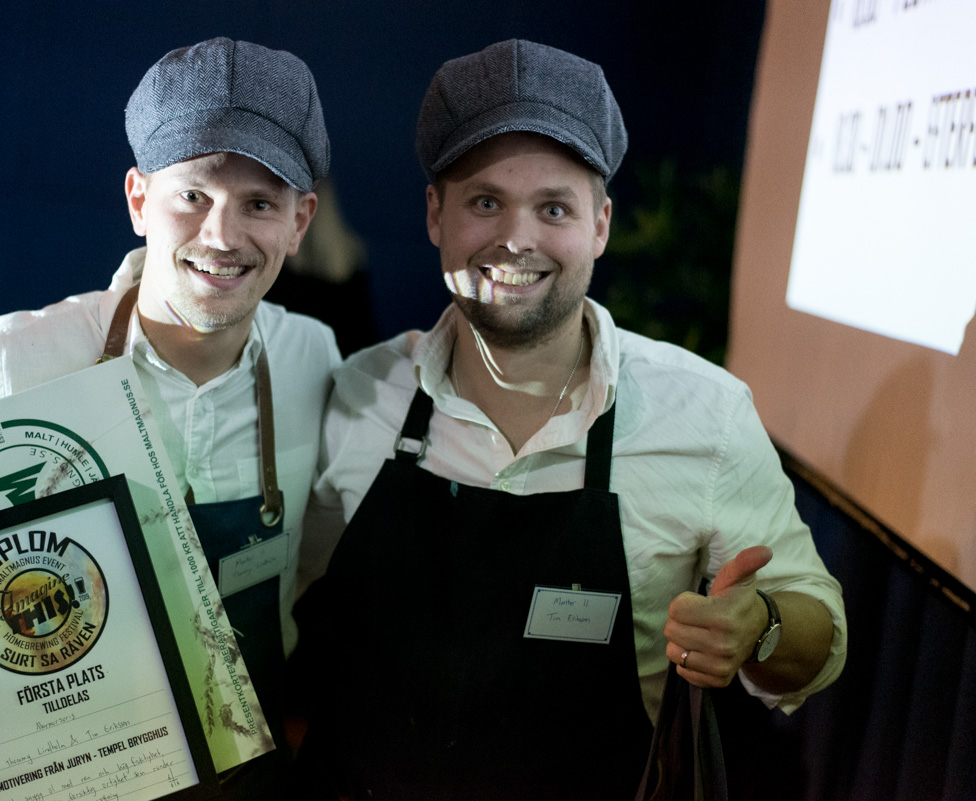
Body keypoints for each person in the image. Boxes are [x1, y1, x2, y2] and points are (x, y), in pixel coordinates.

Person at [299, 39, 846, 800]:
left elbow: (818, 631)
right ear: (435, 215)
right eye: (485, 202)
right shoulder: (357, 394)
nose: (516, 238)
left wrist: (762, 625)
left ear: (601, 225)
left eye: (553, 207)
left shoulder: (705, 413)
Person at [0, 37, 340, 799]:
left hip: (244, 774)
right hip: (54, 770)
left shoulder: (313, 359)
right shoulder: (19, 358)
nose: (222, 236)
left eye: (258, 203)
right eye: (192, 195)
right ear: (139, 200)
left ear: (300, 221)